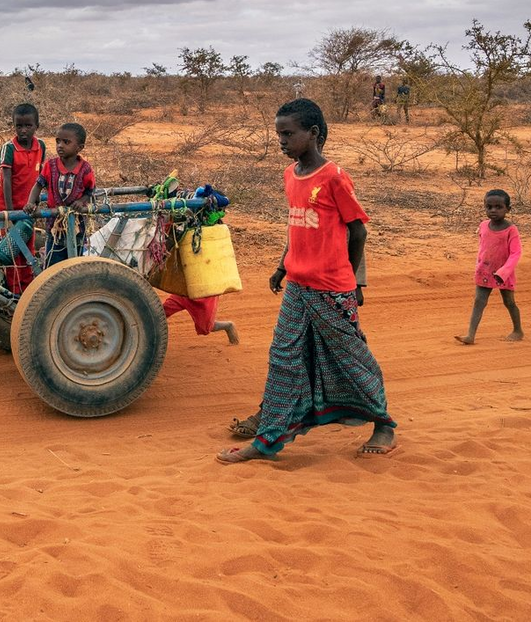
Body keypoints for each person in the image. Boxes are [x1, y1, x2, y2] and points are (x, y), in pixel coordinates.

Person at [218, 98, 396, 464]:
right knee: (284, 357)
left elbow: (357, 232)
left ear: (313, 134)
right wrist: (283, 266)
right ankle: (268, 438)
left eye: (288, 134)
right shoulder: (290, 176)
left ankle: (383, 425)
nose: (281, 141)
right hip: (298, 286)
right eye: (278, 134)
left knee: (351, 358)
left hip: (332, 289)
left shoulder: (333, 177)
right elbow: (296, 225)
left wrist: (347, 278)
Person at [454, 189, 523, 344]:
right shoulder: (484, 226)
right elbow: (483, 248)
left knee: (509, 302)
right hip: (485, 270)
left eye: (499, 207)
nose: (493, 210)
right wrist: (479, 265)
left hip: (504, 273)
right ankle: (470, 336)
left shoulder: (511, 230)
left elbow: (516, 253)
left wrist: (504, 271)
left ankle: (518, 330)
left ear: (508, 209)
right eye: (489, 207)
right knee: (479, 301)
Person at [26, 122, 95, 266]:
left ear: (79, 148)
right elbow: (38, 184)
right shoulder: (50, 166)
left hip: (77, 225)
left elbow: (90, 191)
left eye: (66, 142)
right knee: (54, 261)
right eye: (58, 141)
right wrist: (31, 202)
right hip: (54, 225)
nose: (60, 145)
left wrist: (82, 201)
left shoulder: (85, 169)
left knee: (75, 263)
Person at [0, 103, 47, 293]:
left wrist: (35, 201)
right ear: (13, 125)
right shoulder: (8, 148)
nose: (23, 131)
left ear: (36, 126)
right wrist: (10, 213)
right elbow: (6, 180)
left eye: (28, 126)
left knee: (28, 249)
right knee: (11, 251)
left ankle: (27, 289)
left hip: (28, 208)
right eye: (19, 126)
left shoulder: (40, 146)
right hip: (10, 207)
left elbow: (40, 176)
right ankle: (14, 292)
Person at [162, 293, 238, 344]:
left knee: (205, 328)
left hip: (204, 296)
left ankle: (228, 326)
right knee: (161, 312)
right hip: (183, 293)